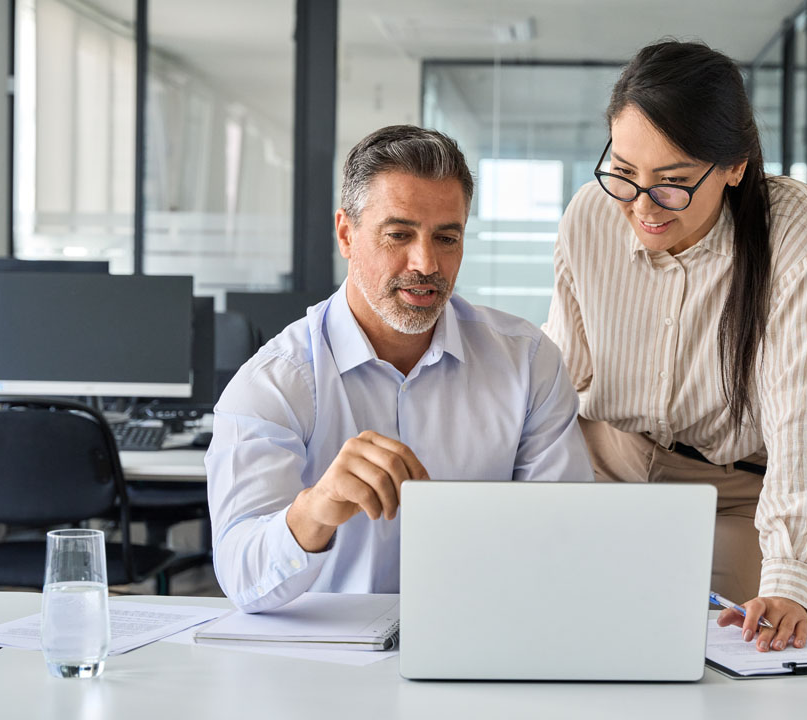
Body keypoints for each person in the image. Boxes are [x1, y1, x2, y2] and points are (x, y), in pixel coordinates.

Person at [207, 125, 592, 613]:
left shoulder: (528, 362)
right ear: (347, 234)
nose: (426, 262)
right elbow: (241, 577)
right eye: (399, 234)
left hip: (482, 635)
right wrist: (316, 507)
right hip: (325, 660)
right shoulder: (276, 381)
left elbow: (565, 538)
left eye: (447, 238)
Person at [543, 40, 807, 653]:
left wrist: (792, 577)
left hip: (729, 496)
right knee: (574, 645)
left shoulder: (789, 223)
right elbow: (558, 372)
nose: (641, 206)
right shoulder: (590, 214)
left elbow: (805, 411)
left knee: (718, 660)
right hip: (604, 470)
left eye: (673, 183)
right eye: (625, 174)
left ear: (734, 166)